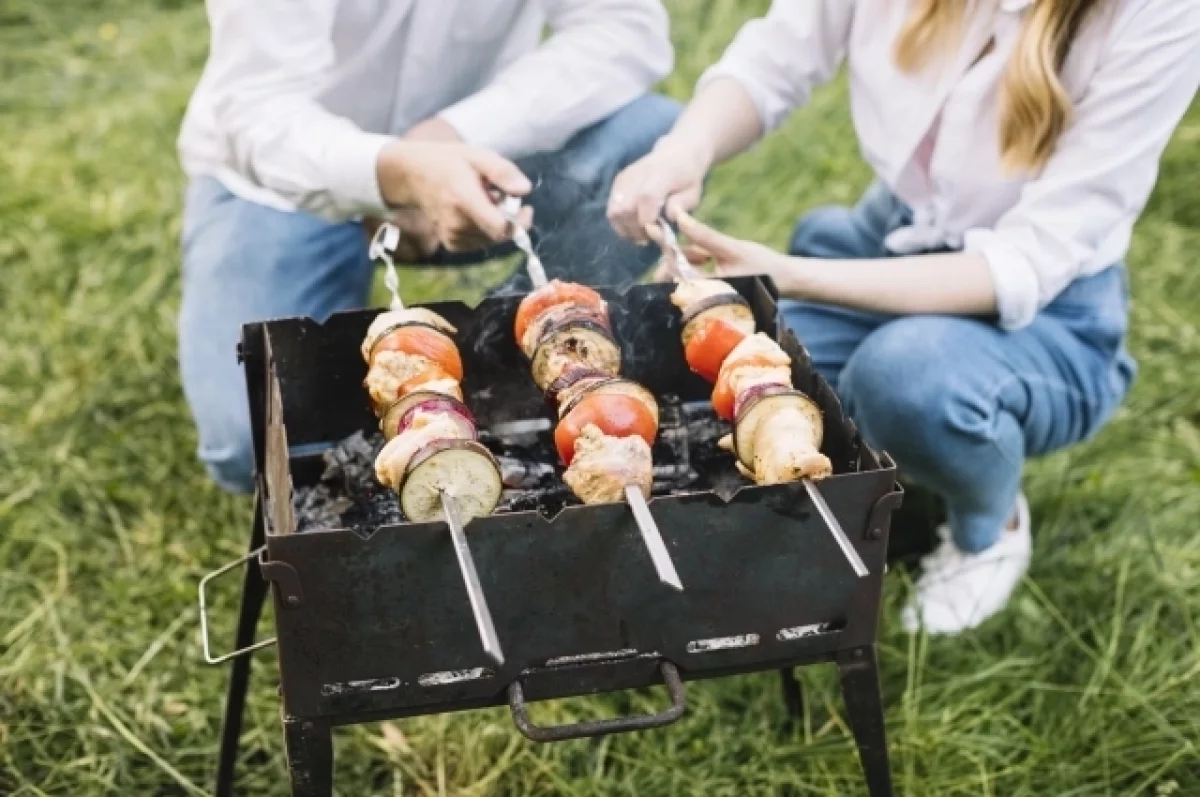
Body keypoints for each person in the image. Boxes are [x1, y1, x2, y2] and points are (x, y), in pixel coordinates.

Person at [608, 0, 1200, 634]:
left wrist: (793, 274)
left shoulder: (1162, 14)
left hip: (1051, 309)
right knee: (764, 381)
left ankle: (988, 529)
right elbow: (779, 54)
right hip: (893, 235)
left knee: (903, 382)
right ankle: (898, 483)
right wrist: (685, 150)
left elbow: (1028, 260)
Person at [178, 0, 680, 494]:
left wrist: (450, 135)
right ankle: (415, 385)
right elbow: (254, 108)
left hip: (484, 158)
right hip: (283, 185)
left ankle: (515, 354)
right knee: (251, 441)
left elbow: (623, 26)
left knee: (653, 141)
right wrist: (391, 172)